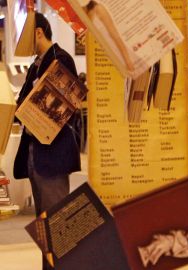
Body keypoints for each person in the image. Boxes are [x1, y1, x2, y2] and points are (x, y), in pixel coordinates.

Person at [13, 12, 81, 270]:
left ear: (39, 32)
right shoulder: (35, 65)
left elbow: (67, 107)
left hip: (52, 157)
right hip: (34, 155)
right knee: (46, 230)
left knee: (57, 226)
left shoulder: (61, 59)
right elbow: (22, 104)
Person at [78, 0, 135, 74]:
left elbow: (115, 36)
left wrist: (127, 60)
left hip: (119, 52)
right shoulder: (86, 18)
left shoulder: (98, 9)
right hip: (108, 61)